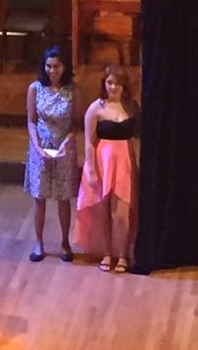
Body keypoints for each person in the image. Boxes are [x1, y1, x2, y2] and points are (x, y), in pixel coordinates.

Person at [75, 64, 139, 273]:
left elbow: (137, 135)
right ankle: (107, 254)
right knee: (103, 212)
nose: (113, 87)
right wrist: (91, 169)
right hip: (102, 162)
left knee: (121, 214)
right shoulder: (96, 108)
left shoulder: (131, 107)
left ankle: (122, 254)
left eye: (117, 83)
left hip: (124, 162)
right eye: (109, 82)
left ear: (124, 86)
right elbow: (88, 141)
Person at [24, 47, 81, 263]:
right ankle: (38, 242)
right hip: (40, 146)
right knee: (39, 198)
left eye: (56, 66)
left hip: (64, 147)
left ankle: (65, 242)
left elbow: (76, 122)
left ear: (64, 67)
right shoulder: (35, 88)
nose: (52, 70)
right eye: (48, 66)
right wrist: (36, 146)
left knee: (63, 198)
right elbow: (31, 120)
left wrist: (68, 141)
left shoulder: (73, 90)